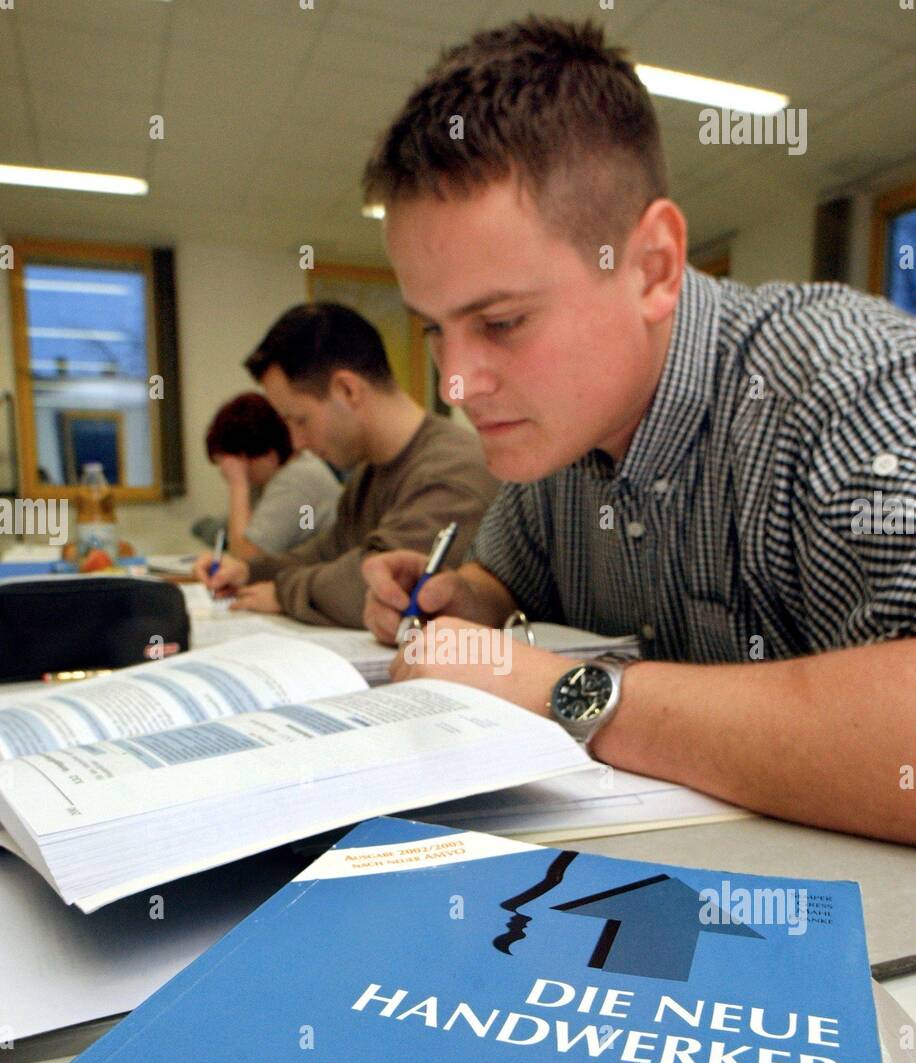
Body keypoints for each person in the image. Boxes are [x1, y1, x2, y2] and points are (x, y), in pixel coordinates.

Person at [359, 16, 916, 845]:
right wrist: (462, 601)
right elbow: (512, 585)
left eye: (504, 322)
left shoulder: (848, 382)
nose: (456, 383)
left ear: (651, 267)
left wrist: (563, 691)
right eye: (436, 328)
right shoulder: (551, 436)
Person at [195, 302, 497, 627]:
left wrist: (283, 592)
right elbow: (327, 552)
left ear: (347, 390)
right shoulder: (370, 472)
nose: (297, 443)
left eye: (300, 420)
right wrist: (250, 571)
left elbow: (376, 586)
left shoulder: (452, 471)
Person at [201, 392, 342, 561]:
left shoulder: (297, 479)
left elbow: (246, 560)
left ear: (261, 455)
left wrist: (238, 484)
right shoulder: (276, 477)